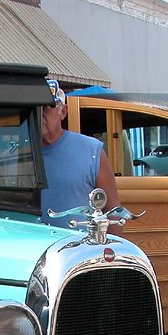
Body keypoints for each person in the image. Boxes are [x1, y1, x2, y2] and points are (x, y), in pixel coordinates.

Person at [39, 80, 123, 231]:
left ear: (63, 112)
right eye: (34, 109)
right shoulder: (17, 155)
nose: (39, 115)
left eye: (46, 108)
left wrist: (107, 251)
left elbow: (113, 213)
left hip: (78, 249)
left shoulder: (91, 150)